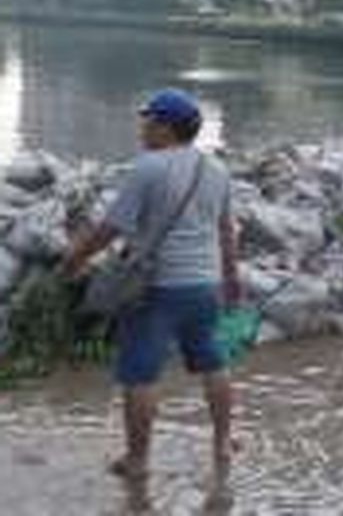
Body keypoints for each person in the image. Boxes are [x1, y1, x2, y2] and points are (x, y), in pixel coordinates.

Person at [65, 89, 240, 482]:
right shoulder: (216, 170)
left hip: (156, 286)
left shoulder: (148, 167)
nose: (142, 127)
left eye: (148, 120)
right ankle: (223, 443)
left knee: (140, 373)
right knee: (214, 363)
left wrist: (75, 258)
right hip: (204, 283)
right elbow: (226, 231)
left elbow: (111, 228)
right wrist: (231, 279)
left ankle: (138, 460)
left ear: (166, 126)